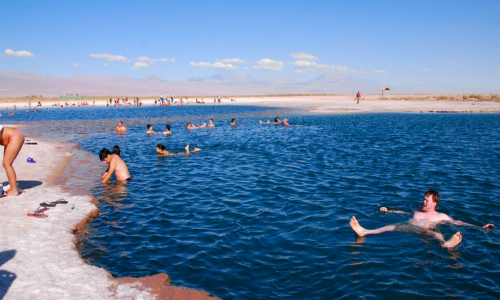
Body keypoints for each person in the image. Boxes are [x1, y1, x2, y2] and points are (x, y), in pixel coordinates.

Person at [350, 189, 495, 248]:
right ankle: (364, 231)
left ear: (434, 204)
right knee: (390, 226)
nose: (423, 202)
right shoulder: (416, 210)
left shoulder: (441, 216)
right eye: (423, 199)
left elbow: (458, 222)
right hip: (407, 226)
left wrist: (479, 227)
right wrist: (389, 210)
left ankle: (446, 244)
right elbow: (405, 213)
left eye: (427, 201)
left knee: (436, 234)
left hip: (424, 231)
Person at [0, 126, 25, 196]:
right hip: (12, 137)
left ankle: (14, 190)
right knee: (6, 163)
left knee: (7, 164)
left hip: (15, 137)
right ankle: (13, 186)